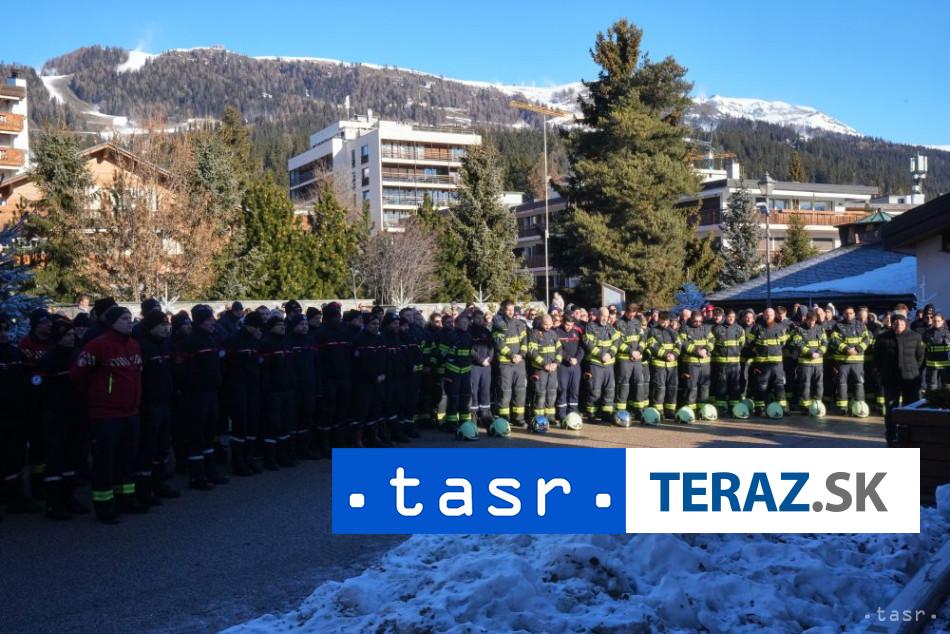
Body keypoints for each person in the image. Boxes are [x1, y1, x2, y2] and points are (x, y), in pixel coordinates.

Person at [71, 306, 144, 524]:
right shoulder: (97, 345)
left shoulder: (133, 345)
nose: (129, 322)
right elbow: (79, 375)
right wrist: (99, 396)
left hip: (131, 412)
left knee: (127, 458)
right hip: (106, 414)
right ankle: (104, 505)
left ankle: (126, 499)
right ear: (112, 322)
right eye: (124, 319)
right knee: (105, 461)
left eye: (130, 318)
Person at [132, 309, 180, 503]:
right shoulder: (142, 346)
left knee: (162, 446)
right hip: (148, 404)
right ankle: (144, 489)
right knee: (148, 448)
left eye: (166, 324)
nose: (165, 328)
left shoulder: (166, 345)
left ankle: (159, 483)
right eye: (161, 325)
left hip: (165, 401)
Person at [179, 305, 229, 488]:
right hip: (196, 395)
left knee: (209, 433)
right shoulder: (191, 341)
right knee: (197, 436)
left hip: (212, 392)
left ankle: (210, 470)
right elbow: (184, 371)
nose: (212, 322)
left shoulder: (210, 339)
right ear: (199, 322)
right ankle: (197, 475)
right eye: (208, 320)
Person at [875, 314, 925, 446]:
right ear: (892, 324)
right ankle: (891, 436)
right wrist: (882, 373)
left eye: (901, 323)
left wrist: (913, 370)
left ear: (906, 324)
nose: (899, 326)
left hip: (910, 380)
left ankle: (910, 435)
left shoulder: (915, 337)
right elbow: (877, 359)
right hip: (890, 379)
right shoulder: (882, 338)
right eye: (896, 323)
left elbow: (920, 358)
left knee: (911, 408)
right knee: (891, 409)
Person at [260, 315, 296, 466]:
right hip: (273, 390)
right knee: (272, 424)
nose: (282, 327)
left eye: (283, 324)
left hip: (287, 388)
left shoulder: (287, 342)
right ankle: (270, 458)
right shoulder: (266, 344)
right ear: (271, 327)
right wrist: (268, 388)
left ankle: (284, 455)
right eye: (279, 325)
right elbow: (264, 370)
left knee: (286, 423)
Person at [747, 307, 789, 416]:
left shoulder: (780, 328)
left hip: (777, 364)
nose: (769, 316)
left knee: (779, 385)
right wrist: (757, 353)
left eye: (771, 315)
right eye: (767, 314)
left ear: (774, 316)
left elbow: (783, 343)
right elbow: (749, 343)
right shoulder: (757, 327)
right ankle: (760, 408)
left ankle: (782, 407)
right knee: (761, 386)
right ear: (764, 315)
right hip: (762, 363)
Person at [829, 306, 871, 414]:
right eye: (846, 313)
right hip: (843, 361)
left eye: (851, 313)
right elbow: (834, 339)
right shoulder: (838, 326)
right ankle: (842, 408)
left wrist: (857, 349)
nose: (849, 315)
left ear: (854, 314)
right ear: (843, 314)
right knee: (842, 384)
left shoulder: (861, 325)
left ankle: (859, 406)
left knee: (859, 383)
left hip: (857, 360)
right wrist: (846, 349)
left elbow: (867, 339)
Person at [493, 300, 528, 427]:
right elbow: (499, 344)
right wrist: (511, 355)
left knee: (520, 391)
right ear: (502, 310)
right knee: (505, 392)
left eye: (512, 309)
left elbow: (525, 342)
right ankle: (504, 418)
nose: (510, 312)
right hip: (505, 363)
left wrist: (521, 355)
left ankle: (518, 418)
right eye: (508, 310)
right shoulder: (498, 325)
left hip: (519, 363)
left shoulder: (520, 324)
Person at [582, 307, 619, 422]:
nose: (604, 319)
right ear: (598, 315)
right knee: (595, 390)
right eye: (603, 316)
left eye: (606, 317)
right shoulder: (590, 326)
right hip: (596, 363)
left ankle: (606, 412)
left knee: (609, 389)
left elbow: (616, 342)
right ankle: (591, 412)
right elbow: (588, 344)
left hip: (609, 364)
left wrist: (610, 354)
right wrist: (601, 355)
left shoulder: (611, 328)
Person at [614, 303, 649, 420]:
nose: (632, 316)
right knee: (623, 384)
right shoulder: (618, 323)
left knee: (639, 384)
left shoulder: (637, 322)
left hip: (637, 359)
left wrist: (639, 351)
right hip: (625, 359)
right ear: (626, 311)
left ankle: (638, 410)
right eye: (630, 313)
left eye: (634, 314)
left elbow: (643, 338)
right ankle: (621, 411)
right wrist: (631, 352)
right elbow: (617, 342)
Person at [442, 312, 474, 433]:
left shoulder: (469, 336)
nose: (465, 324)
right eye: (463, 322)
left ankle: (464, 423)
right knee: (453, 398)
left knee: (465, 398)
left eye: (467, 322)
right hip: (453, 371)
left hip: (466, 372)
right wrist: (444, 372)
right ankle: (451, 424)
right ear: (456, 324)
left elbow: (470, 353)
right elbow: (442, 354)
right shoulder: (450, 336)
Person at [791, 311, 828, 412]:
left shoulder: (820, 329)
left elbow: (825, 343)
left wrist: (819, 353)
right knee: (805, 385)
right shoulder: (799, 329)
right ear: (806, 319)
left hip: (818, 362)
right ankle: (804, 406)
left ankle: (817, 404)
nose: (811, 323)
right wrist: (810, 353)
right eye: (810, 321)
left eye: (813, 321)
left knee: (819, 384)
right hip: (805, 363)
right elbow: (798, 343)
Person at [527, 313, 561, 422]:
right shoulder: (534, 334)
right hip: (540, 369)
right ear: (541, 323)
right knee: (540, 393)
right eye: (546, 324)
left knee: (552, 392)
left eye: (550, 324)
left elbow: (559, 350)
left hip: (553, 369)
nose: (548, 327)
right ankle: (538, 417)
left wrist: (556, 363)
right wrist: (544, 364)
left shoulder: (553, 334)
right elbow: (532, 352)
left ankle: (550, 416)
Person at [647, 311, 681, 420]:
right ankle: (658, 411)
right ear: (659, 320)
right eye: (663, 321)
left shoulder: (673, 332)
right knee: (659, 388)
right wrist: (666, 355)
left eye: (667, 321)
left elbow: (679, 345)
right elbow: (652, 346)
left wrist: (674, 355)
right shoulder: (653, 331)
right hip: (659, 365)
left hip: (672, 365)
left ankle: (670, 411)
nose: (665, 323)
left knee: (672, 388)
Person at [711, 308, 746, 412]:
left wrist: (736, 352)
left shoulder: (739, 329)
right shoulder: (717, 329)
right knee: (721, 386)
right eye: (729, 317)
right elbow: (712, 344)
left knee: (734, 385)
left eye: (733, 317)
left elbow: (742, 344)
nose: (731, 319)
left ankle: (734, 407)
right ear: (725, 317)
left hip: (734, 363)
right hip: (721, 363)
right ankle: (720, 407)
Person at [679, 311, 714, 413]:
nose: (698, 323)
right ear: (691, 319)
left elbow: (712, 340)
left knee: (704, 387)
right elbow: (683, 344)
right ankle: (690, 410)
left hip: (705, 363)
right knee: (691, 387)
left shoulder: (706, 329)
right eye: (695, 321)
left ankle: (703, 410)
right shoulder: (684, 329)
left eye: (700, 321)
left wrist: (706, 350)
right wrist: (697, 351)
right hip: (691, 363)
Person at [555, 314, 584, 422]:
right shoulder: (557, 332)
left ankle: (573, 412)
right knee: (562, 389)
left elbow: (582, 347)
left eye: (571, 325)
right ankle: (561, 413)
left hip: (575, 365)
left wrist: (577, 359)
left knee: (574, 390)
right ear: (563, 322)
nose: (569, 327)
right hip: (563, 366)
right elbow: (558, 349)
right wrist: (568, 358)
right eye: (567, 325)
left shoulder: (577, 331)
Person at [469, 311, 494, 426]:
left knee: (485, 389)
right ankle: (473, 414)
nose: (479, 320)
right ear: (473, 318)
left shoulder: (486, 331)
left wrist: (489, 359)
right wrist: (480, 360)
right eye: (477, 318)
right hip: (474, 365)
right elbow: (470, 349)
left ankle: (485, 414)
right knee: (473, 390)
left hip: (486, 366)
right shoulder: (469, 331)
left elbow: (492, 347)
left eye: (481, 318)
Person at [923, 313, 949, 390]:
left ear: (942, 321)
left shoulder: (948, 333)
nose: (936, 322)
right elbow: (922, 349)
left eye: (938, 321)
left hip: (945, 366)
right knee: (932, 387)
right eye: (934, 321)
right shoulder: (927, 333)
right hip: (932, 365)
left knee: (946, 387)